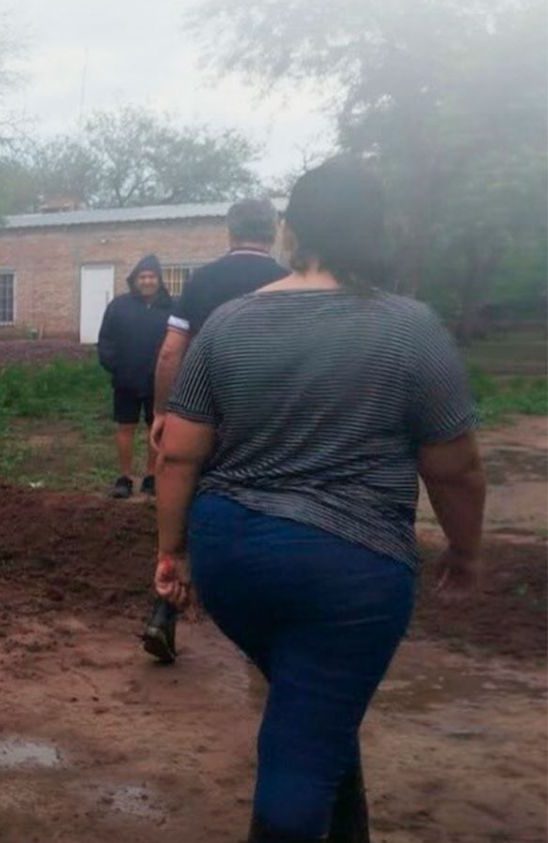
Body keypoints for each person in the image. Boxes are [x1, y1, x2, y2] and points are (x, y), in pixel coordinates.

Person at [155, 158, 485, 843]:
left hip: (232, 558)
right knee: (303, 743)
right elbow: (454, 469)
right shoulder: (410, 328)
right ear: (375, 232)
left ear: (291, 230)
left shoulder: (228, 323)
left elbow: (179, 452)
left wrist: (172, 550)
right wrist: (464, 549)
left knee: (315, 707)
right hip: (349, 570)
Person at [140, 197, 289, 664]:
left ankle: (164, 609)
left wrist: (162, 411)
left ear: (230, 231)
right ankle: (266, 628)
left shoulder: (202, 281)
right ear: (274, 232)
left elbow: (171, 351)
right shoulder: (291, 281)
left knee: (184, 495)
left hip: (205, 409)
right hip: (273, 416)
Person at [96, 254, 172, 499]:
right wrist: (116, 367)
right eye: (143, 277)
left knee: (155, 429)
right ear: (135, 280)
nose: (147, 281)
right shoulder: (119, 306)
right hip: (126, 380)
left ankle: (151, 477)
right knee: (125, 427)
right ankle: (125, 477)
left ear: (159, 280)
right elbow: (105, 340)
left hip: (159, 383)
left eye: (152, 277)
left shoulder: (172, 308)